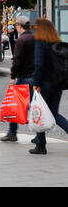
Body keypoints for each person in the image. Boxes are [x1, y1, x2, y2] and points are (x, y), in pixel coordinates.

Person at [30, 18, 68, 155]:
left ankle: (41, 146)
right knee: (53, 114)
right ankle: (41, 144)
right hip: (58, 83)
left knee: (39, 112)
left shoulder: (41, 43)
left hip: (44, 83)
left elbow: (39, 64)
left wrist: (36, 84)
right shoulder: (57, 43)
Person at [0, 16, 35, 142]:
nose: (15, 27)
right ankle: (39, 134)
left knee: (16, 105)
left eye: (15, 25)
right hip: (34, 77)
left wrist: (13, 76)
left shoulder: (21, 40)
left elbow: (17, 60)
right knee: (34, 106)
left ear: (19, 25)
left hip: (23, 77)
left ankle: (12, 133)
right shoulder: (34, 38)